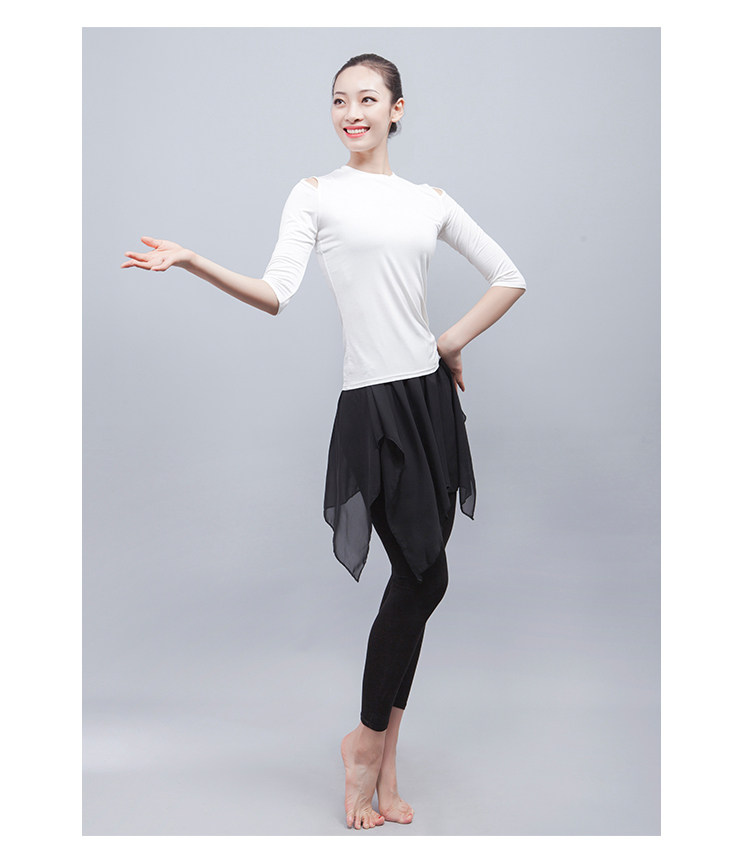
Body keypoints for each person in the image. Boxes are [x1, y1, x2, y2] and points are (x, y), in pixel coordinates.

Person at [121, 52, 526, 830]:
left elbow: (509, 276)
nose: (352, 113)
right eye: (340, 100)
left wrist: (447, 342)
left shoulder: (429, 201)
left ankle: (385, 762)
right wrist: (194, 260)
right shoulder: (315, 194)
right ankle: (363, 746)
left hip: (429, 400)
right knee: (423, 575)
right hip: (374, 405)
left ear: (397, 109)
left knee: (422, 579)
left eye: (368, 99)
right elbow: (276, 292)